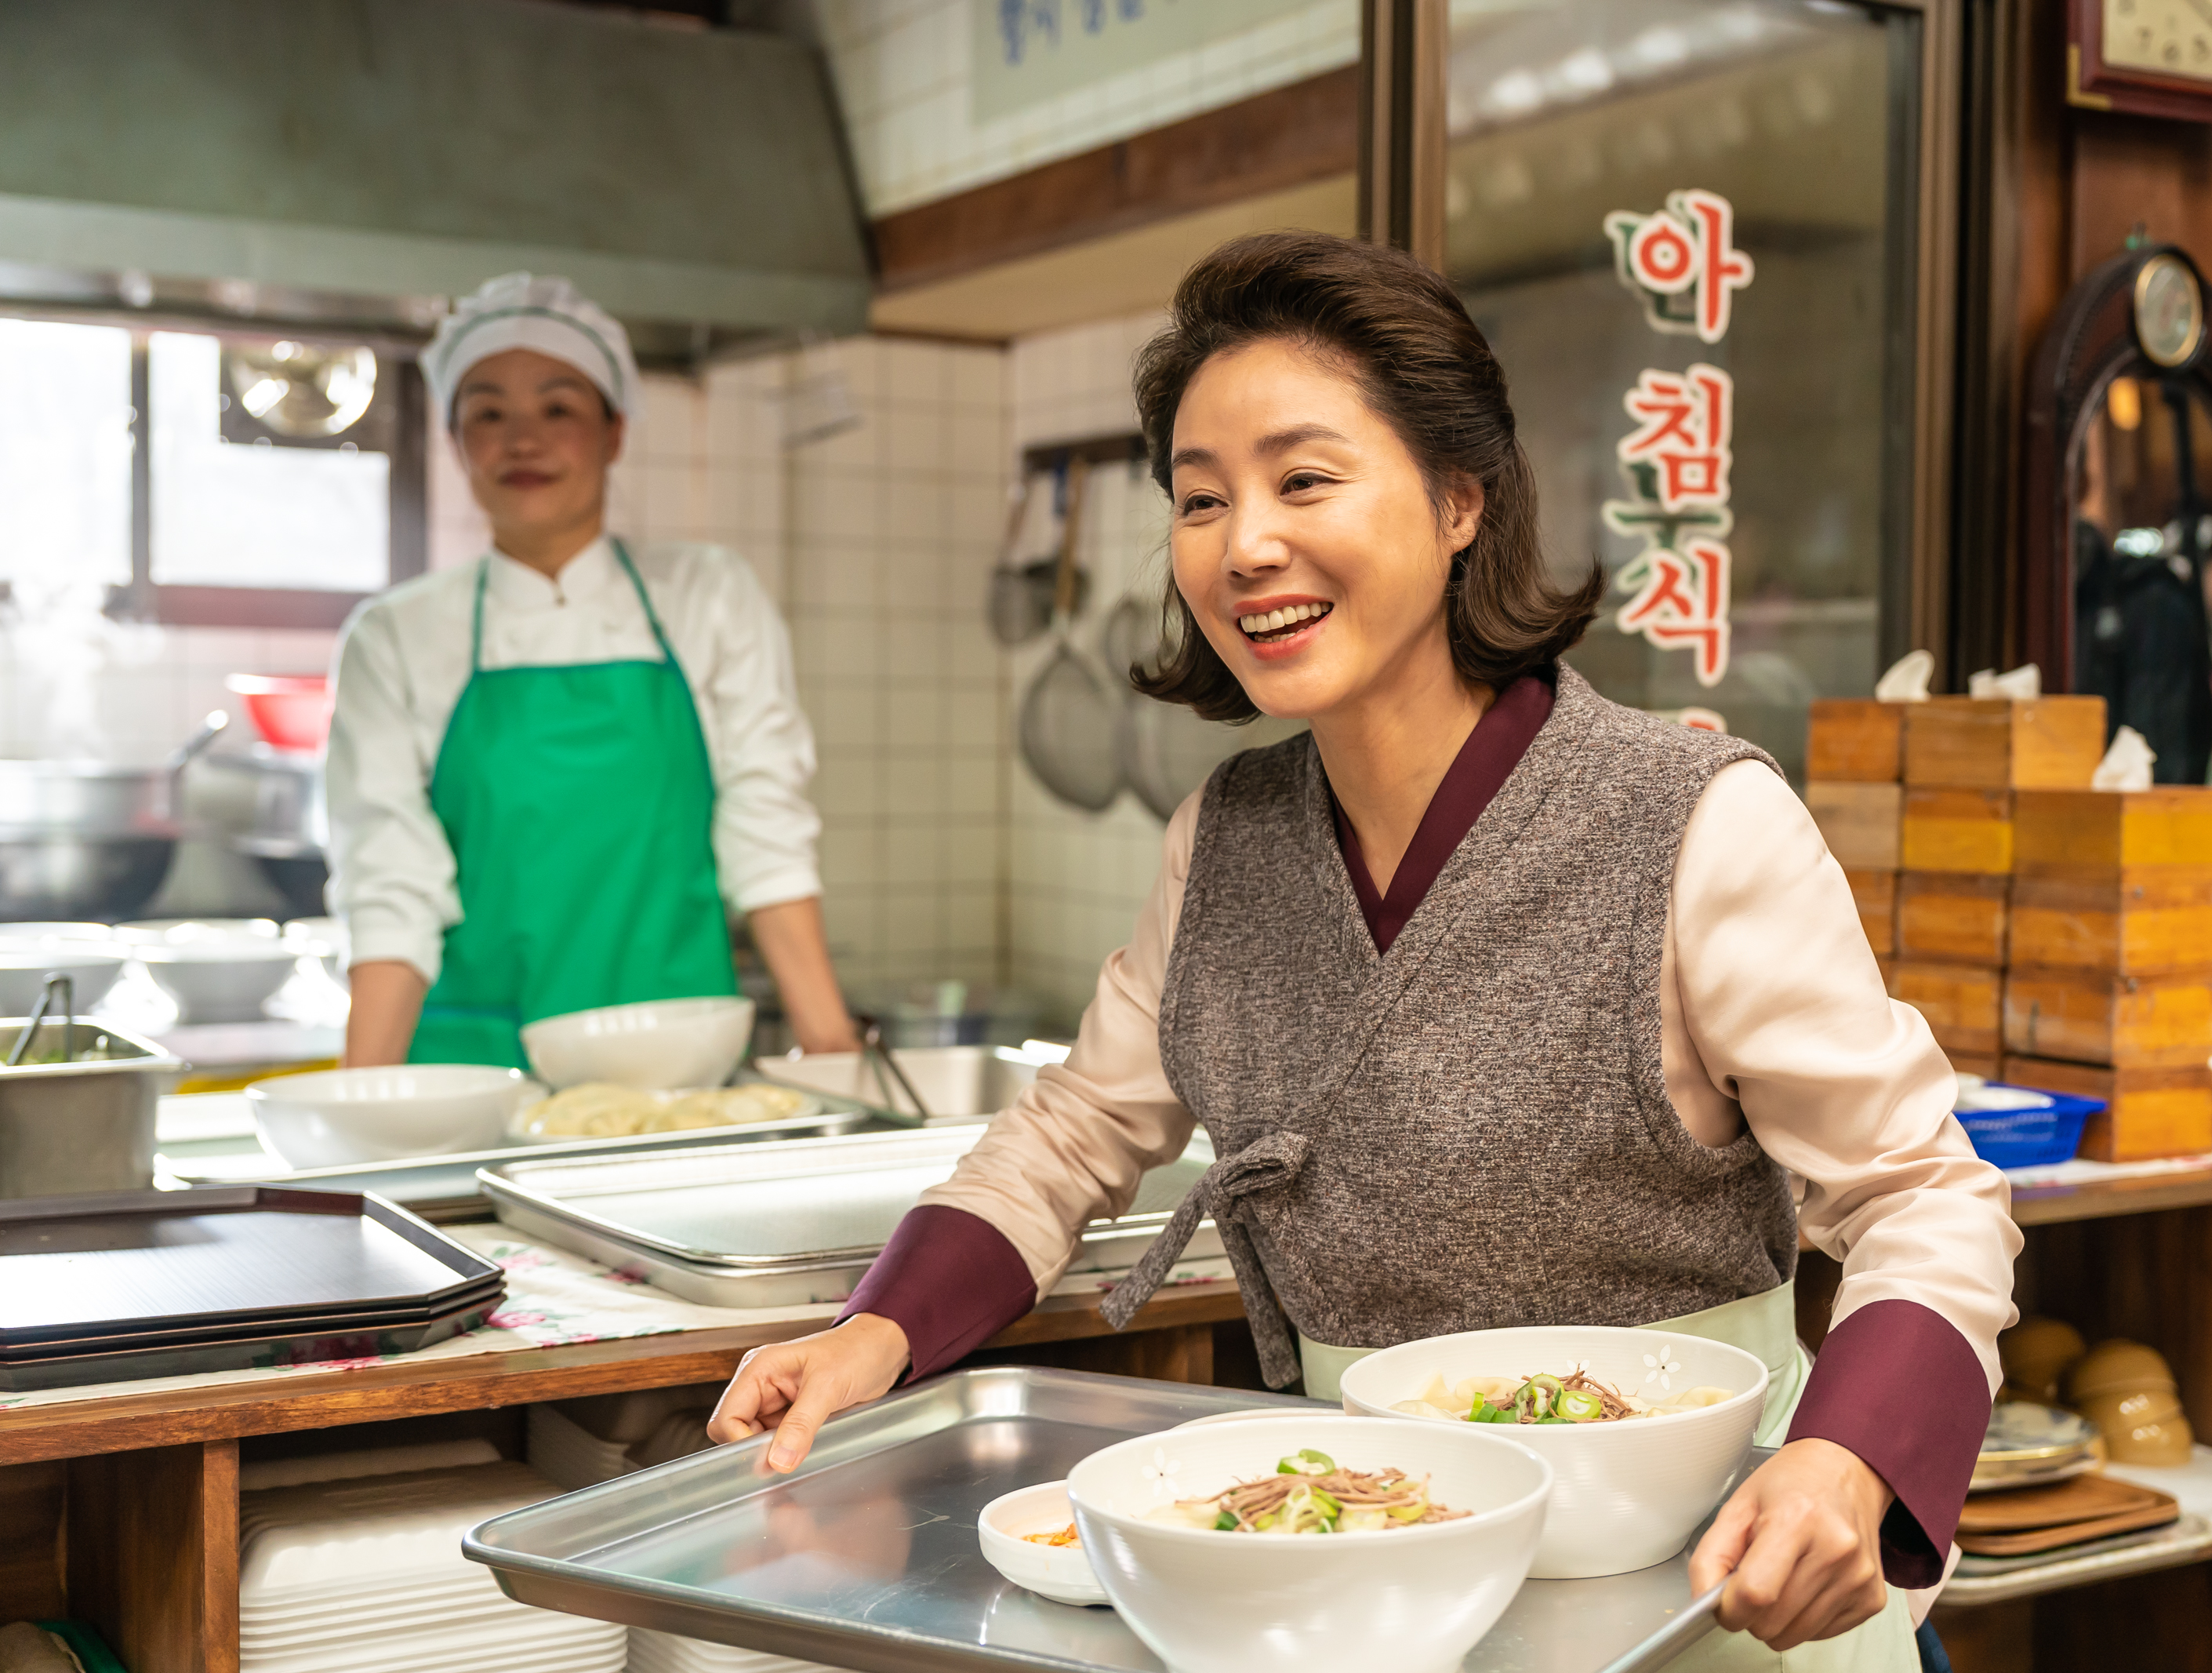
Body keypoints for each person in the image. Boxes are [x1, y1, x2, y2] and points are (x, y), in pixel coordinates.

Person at [710, 235, 2017, 1667]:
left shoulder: (1691, 819)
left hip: (1705, 1581)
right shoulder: (1225, 835)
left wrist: (1850, 1459)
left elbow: (1923, 1193)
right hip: (1366, 1572)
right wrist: (875, 1327)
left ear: (1462, 500)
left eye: (1303, 478)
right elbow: (1077, 1129)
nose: (1243, 542)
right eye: (1200, 499)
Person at [326, 273, 858, 1068]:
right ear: (455, 443)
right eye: (488, 413)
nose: (522, 440)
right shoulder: (395, 637)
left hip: (674, 1072)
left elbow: (766, 834)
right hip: (475, 1074)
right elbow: (389, 884)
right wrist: (363, 1104)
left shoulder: (706, 596)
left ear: (614, 434)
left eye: (558, 408)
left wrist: (832, 1049)